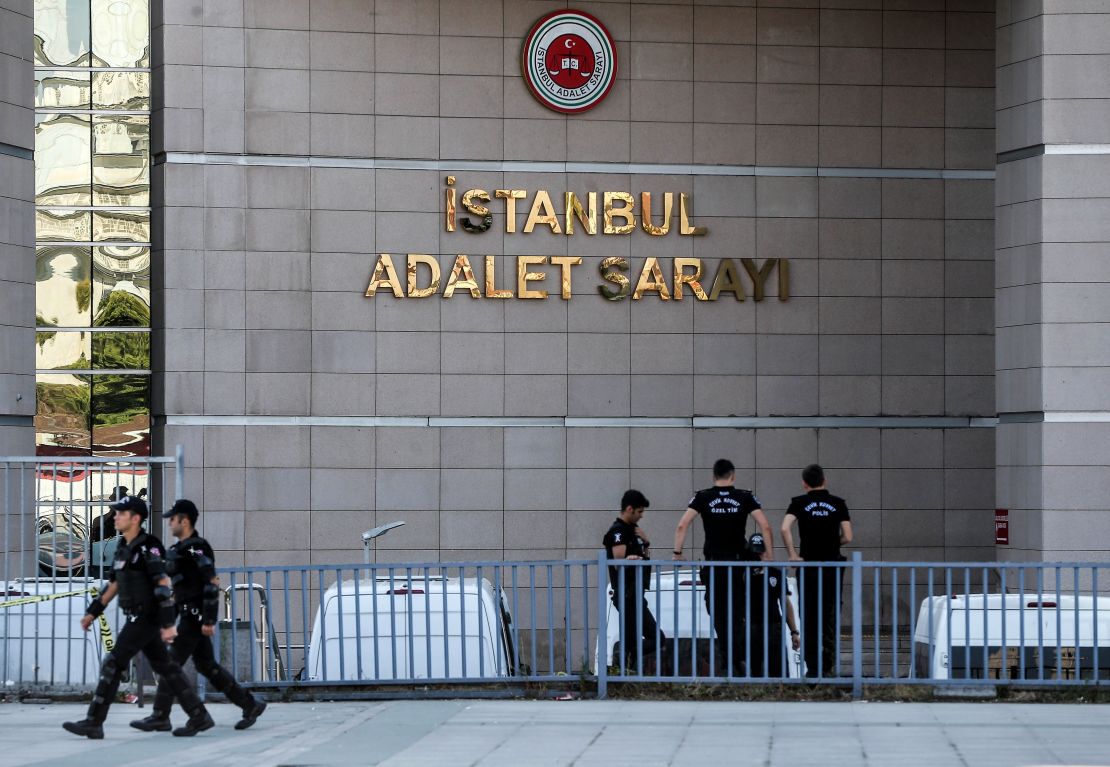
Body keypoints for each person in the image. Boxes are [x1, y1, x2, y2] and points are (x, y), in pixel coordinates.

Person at [62, 495, 214, 739]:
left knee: (113, 663)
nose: (115, 517)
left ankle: (94, 720)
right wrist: (93, 612)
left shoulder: (149, 546)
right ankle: (198, 714)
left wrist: (166, 624)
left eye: (121, 513)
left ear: (136, 518)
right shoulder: (123, 547)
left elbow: (163, 584)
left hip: (146, 618)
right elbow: (114, 585)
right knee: (167, 668)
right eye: (116, 513)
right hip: (138, 617)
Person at [131, 499, 266, 733]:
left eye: (173, 519)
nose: (170, 523)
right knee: (207, 666)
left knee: (169, 665)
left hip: (195, 618)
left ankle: (164, 715)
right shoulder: (177, 550)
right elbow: (177, 588)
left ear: (185, 520)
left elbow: (211, 583)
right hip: (187, 615)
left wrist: (210, 619)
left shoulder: (198, 547)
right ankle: (249, 704)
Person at [673, 459, 774, 676]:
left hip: (714, 563)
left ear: (713, 476)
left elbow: (682, 525)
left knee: (717, 612)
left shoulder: (702, 497)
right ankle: (735, 660)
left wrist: (677, 553)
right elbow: (765, 525)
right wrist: (769, 558)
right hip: (737, 564)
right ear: (733, 476)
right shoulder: (745, 496)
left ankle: (731, 661)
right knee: (736, 613)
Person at [781, 463, 852, 678]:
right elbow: (848, 536)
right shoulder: (838, 503)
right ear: (824, 480)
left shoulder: (799, 502)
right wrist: (833, 544)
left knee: (809, 615)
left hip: (808, 566)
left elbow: (785, 528)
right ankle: (828, 667)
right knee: (829, 615)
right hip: (831, 566)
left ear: (804, 484)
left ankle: (812, 668)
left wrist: (793, 555)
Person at [602, 489, 665, 670]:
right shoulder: (618, 531)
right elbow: (617, 562)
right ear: (629, 509)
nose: (641, 516)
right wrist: (628, 560)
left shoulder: (634, 531)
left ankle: (626, 667)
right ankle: (623, 665)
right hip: (626, 594)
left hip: (637, 593)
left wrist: (646, 543)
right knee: (650, 638)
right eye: (639, 511)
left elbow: (645, 557)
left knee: (640, 640)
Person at [742, 533, 800, 678]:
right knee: (752, 669)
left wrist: (794, 632)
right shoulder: (743, 573)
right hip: (751, 626)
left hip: (773, 626)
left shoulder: (776, 573)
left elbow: (785, 603)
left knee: (778, 670)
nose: (758, 557)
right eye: (755, 553)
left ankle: (780, 695)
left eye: (761, 552)